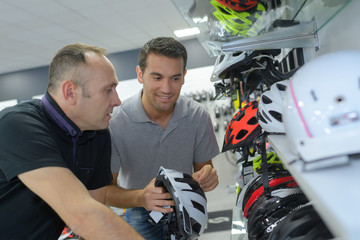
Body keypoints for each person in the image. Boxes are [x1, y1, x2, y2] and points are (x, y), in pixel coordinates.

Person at [0, 43, 143, 240]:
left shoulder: (97, 133)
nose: (117, 100)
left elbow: (94, 215)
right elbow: (83, 215)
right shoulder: (17, 125)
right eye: (108, 90)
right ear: (70, 92)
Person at [106, 37, 220, 239]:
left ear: (184, 76)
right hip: (138, 211)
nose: (166, 89)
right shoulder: (115, 122)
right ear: (140, 75)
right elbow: (106, 191)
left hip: (184, 209)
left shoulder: (198, 115)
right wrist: (141, 198)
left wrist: (207, 176)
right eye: (157, 77)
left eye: (175, 78)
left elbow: (203, 170)